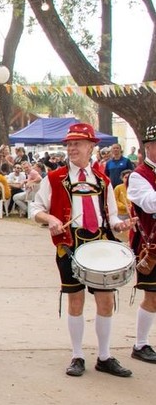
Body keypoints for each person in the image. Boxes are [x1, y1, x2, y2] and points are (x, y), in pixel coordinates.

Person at [30, 123, 136, 378]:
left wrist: (120, 224)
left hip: (99, 243)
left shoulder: (102, 179)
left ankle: (104, 356)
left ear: (91, 147)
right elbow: (35, 209)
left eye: (77, 143)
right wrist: (51, 219)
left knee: (106, 300)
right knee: (75, 300)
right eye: (69, 144)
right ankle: (77, 355)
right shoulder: (54, 178)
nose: (72, 148)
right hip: (70, 244)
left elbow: (110, 216)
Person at [123, 124, 156, 366]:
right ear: (149, 147)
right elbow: (148, 204)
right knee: (152, 296)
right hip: (151, 246)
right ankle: (140, 344)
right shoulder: (138, 175)